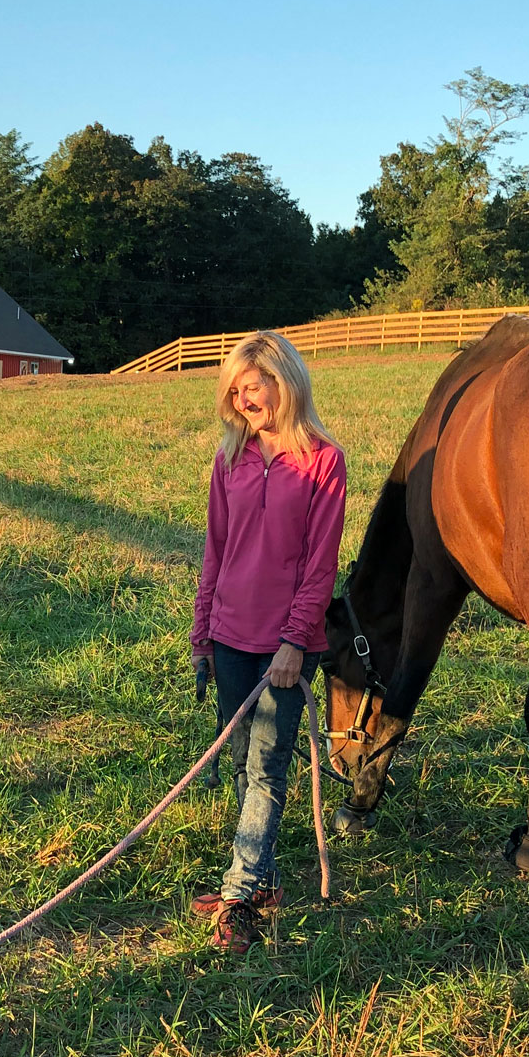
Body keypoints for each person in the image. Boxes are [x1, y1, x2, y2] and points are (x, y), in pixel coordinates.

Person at [189, 331, 347, 953]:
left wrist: (293, 641)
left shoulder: (323, 461)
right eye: (237, 388)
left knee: (267, 767)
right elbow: (216, 550)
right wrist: (202, 631)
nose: (245, 398)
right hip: (229, 633)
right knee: (241, 760)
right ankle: (263, 879)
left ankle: (239, 891)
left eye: (255, 386)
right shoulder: (229, 458)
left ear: (286, 382)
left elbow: (320, 563)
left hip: (285, 647)